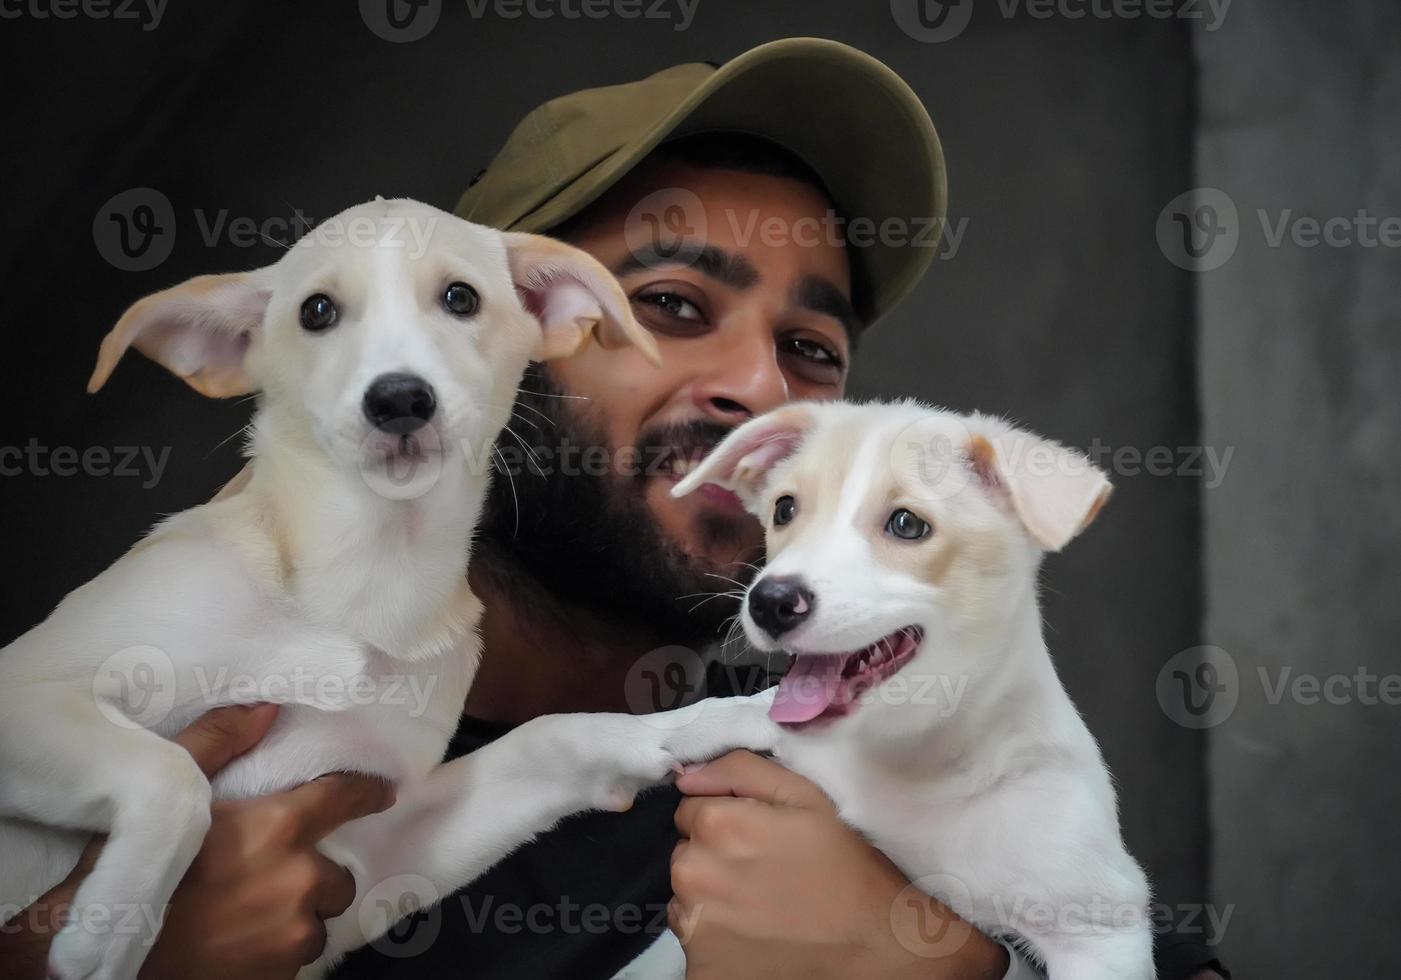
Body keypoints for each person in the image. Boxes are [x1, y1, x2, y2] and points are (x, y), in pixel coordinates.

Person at [2, 39, 1229, 980]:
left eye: (810, 345)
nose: (761, 388)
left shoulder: (828, 757)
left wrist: (947, 964)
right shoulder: (186, 671)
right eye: (678, 305)